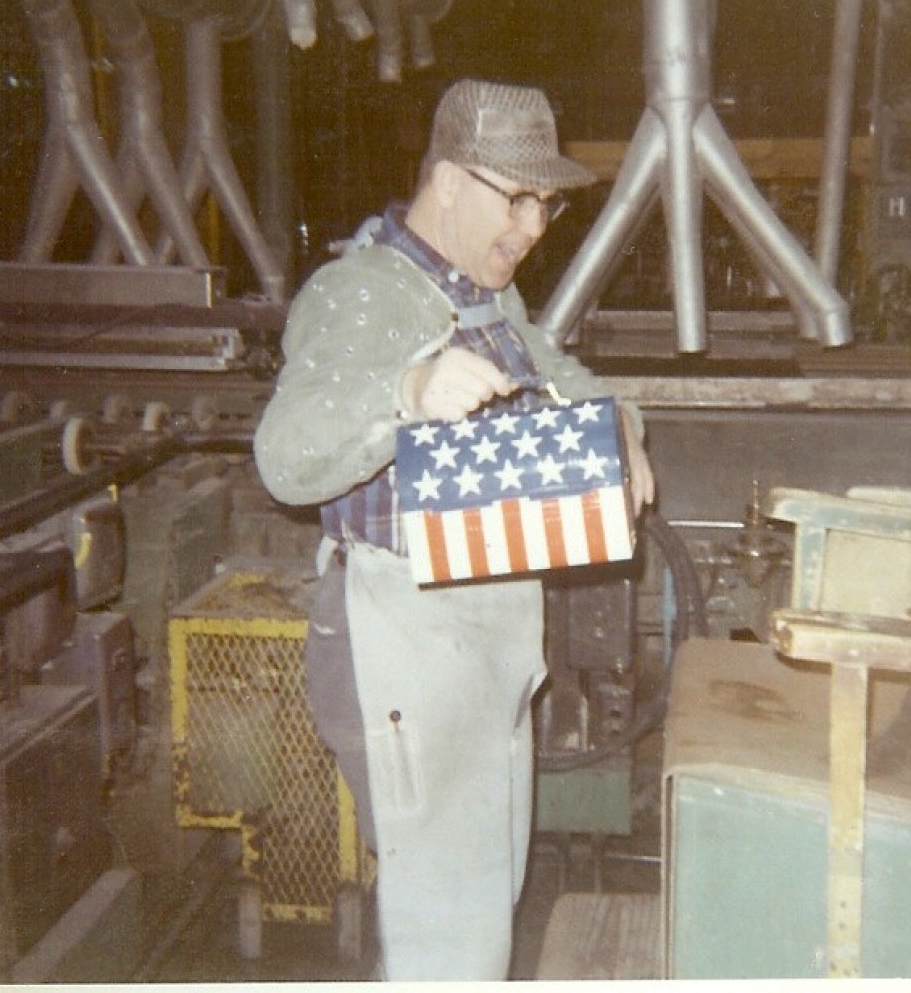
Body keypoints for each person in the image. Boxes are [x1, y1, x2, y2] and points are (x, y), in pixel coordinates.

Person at [254, 77, 655, 980]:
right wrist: (404, 393)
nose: (534, 226)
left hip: (481, 639)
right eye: (514, 197)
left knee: (482, 897)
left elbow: (558, 369)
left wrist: (620, 426)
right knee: (449, 933)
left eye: (546, 204)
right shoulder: (364, 292)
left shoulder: (482, 295)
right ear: (444, 180)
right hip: (403, 640)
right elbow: (284, 455)